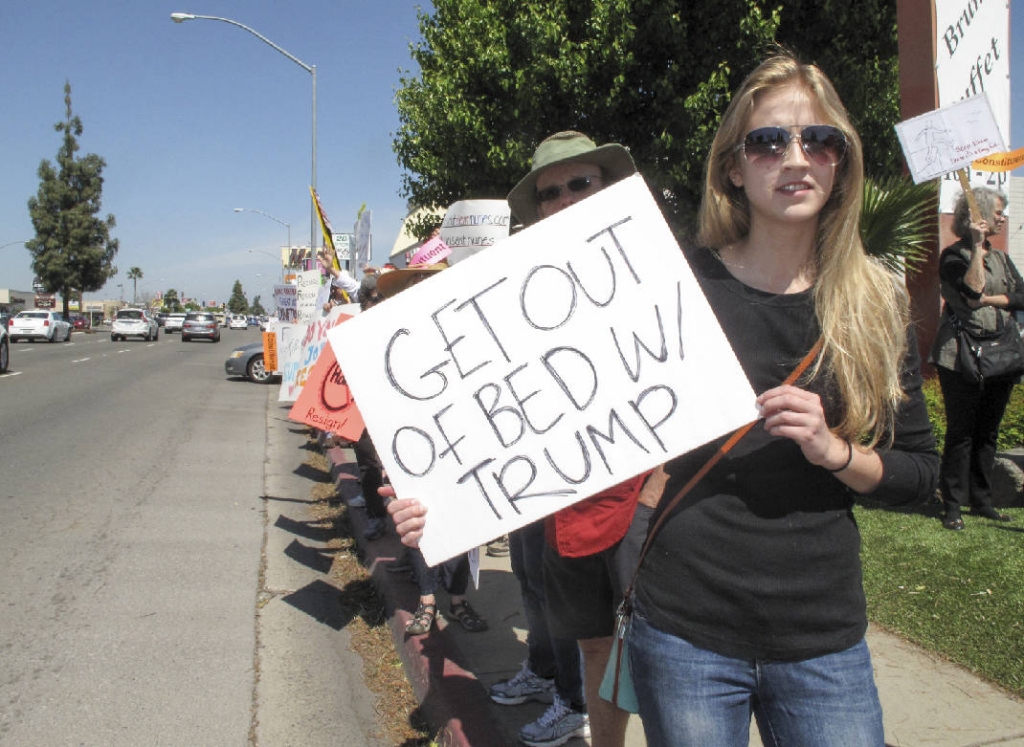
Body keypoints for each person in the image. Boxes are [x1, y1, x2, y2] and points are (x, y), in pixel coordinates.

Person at [626, 53, 939, 746]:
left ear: (840, 163)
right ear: (733, 167)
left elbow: (921, 476)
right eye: (770, 141)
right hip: (685, 630)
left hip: (822, 640)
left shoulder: (875, 304)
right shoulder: (677, 286)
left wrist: (836, 451)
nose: (797, 158)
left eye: (820, 140)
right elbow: (570, 421)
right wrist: (449, 497)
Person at [389, 131, 658, 747]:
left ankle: (582, 700)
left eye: (579, 184)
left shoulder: (648, 263)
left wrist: (655, 493)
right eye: (549, 193)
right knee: (583, 635)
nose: (563, 200)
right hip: (553, 494)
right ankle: (571, 701)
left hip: (636, 502)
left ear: (607, 187)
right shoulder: (521, 288)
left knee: (658, 654)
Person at [930, 186, 1018, 530]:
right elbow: (971, 291)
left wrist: (993, 302)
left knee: (988, 431)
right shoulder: (953, 256)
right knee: (962, 432)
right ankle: (952, 504)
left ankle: (983, 500)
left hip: (1000, 352)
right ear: (977, 216)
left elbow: (1021, 295)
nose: (1001, 218)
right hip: (960, 354)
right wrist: (977, 249)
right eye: (997, 212)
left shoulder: (1003, 258)